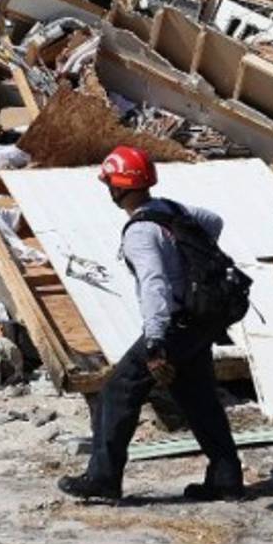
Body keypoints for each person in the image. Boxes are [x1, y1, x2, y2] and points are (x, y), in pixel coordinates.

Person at [59, 146, 243, 502]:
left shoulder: (141, 232)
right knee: (199, 397)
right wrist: (191, 269)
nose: (108, 189)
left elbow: (153, 284)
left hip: (175, 324)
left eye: (110, 182)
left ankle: (103, 478)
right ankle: (225, 478)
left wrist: (156, 341)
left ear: (121, 186)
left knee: (118, 390)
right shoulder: (172, 210)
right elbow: (214, 222)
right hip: (202, 319)